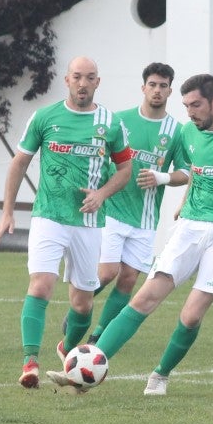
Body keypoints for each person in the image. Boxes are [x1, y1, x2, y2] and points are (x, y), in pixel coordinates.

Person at [49, 73, 213, 395]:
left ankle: (160, 375)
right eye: (186, 106)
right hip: (190, 225)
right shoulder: (188, 132)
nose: (190, 112)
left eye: (196, 105)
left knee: (191, 315)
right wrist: (183, 203)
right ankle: (84, 371)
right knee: (145, 297)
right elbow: (192, 172)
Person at [0, 56, 133, 388]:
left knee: (82, 303)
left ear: (98, 82)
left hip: (88, 222)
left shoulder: (111, 124)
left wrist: (102, 194)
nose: (83, 83)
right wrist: (7, 211)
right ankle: (30, 363)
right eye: (77, 77)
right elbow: (19, 163)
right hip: (49, 216)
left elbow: (126, 170)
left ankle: (68, 348)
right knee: (41, 284)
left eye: (90, 77)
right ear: (67, 80)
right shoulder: (44, 117)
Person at [80, 62, 188, 349]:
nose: (157, 90)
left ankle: (98, 335)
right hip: (113, 210)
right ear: (143, 88)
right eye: (152, 85)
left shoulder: (175, 131)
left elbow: (186, 172)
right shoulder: (121, 121)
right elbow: (99, 155)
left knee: (128, 280)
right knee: (107, 272)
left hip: (145, 219)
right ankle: (78, 310)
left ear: (170, 91)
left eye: (163, 86)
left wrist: (162, 177)